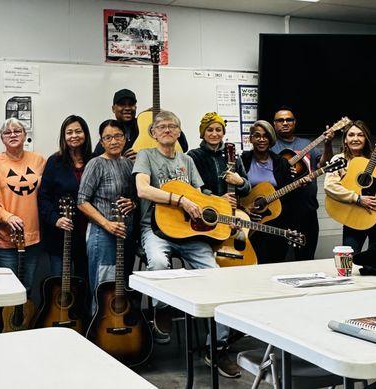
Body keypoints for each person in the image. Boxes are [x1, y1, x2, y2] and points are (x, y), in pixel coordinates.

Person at [133, 110, 240, 378]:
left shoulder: (187, 160)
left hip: (190, 234)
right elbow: (143, 190)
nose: (167, 130)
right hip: (155, 230)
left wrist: (220, 206)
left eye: (173, 126)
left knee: (217, 277)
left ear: (179, 132)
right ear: (153, 133)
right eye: (162, 127)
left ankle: (215, 348)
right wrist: (179, 200)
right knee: (158, 262)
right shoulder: (146, 156)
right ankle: (163, 308)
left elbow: (200, 193)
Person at [77, 120, 136, 304]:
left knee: (122, 289)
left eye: (118, 136)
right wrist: (107, 224)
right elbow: (81, 201)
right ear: (102, 142)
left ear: (125, 139)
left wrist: (133, 203)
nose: (113, 141)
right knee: (104, 288)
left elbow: (135, 195)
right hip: (102, 235)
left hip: (125, 234)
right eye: (108, 138)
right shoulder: (96, 163)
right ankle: (98, 330)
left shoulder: (128, 164)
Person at [324, 120, 376, 253]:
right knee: (350, 257)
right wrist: (357, 198)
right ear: (345, 140)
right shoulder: (338, 160)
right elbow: (330, 186)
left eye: (360, 135)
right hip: (354, 215)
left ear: (366, 139)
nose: (355, 138)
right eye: (351, 135)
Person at [271, 107, 334, 260]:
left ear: (295, 122)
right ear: (274, 124)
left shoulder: (307, 144)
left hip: (307, 210)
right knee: (279, 257)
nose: (285, 123)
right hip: (280, 212)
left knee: (306, 256)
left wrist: (327, 144)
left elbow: (324, 164)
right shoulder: (270, 147)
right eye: (280, 120)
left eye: (289, 120)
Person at [0, 118, 46, 290]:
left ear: (25, 136)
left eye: (17, 131)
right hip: (4, 240)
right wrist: (6, 217)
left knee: (26, 289)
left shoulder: (39, 161)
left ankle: (24, 319)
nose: (13, 135)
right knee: (6, 291)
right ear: (2, 138)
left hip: (33, 238)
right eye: (7, 132)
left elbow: (47, 196)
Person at [39, 115, 92, 290]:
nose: (74, 135)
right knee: (61, 286)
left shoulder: (95, 161)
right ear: (63, 136)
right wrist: (56, 219)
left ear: (85, 134)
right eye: (69, 132)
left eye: (78, 131)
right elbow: (43, 197)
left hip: (88, 234)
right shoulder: (54, 162)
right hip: (60, 234)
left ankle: (83, 317)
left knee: (86, 284)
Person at [241, 120, 294, 264]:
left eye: (265, 136)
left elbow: (289, 195)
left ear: (271, 139)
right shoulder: (242, 160)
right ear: (251, 138)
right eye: (257, 135)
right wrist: (244, 210)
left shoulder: (281, 163)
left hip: (275, 224)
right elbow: (235, 191)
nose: (261, 139)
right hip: (249, 223)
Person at [92, 89, 188, 159]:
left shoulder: (147, 124)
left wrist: (165, 118)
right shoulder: (109, 131)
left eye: (131, 104)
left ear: (135, 107)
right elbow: (98, 157)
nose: (127, 108)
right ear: (113, 108)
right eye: (122, 104)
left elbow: (183, 146)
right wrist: (121, 159)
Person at [188, 112, 251, 203]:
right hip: (206, 210)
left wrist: (241, 182)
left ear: (223, 132)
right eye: (209, 130)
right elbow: (191, 189)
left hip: (230, 211)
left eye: (218, 130)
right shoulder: (194, 156)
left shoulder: (232, 154)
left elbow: (247, 190)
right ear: (203, 133)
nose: (214, 134)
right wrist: (218, 199)